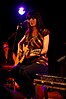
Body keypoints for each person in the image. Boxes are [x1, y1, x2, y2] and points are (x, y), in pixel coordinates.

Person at [6, 9, 50, 98]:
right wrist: (20, 51)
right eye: (30, 19)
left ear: (38, 19)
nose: (31, 20)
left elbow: (45, 50)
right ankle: (27, 94)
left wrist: (34, 53)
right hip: (30, 63)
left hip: (41, 63)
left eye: (34, 18)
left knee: (24, 71)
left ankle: (33, 94)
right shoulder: (28, 33)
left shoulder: (44, 32)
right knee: (14, 70)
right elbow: (19, 43)